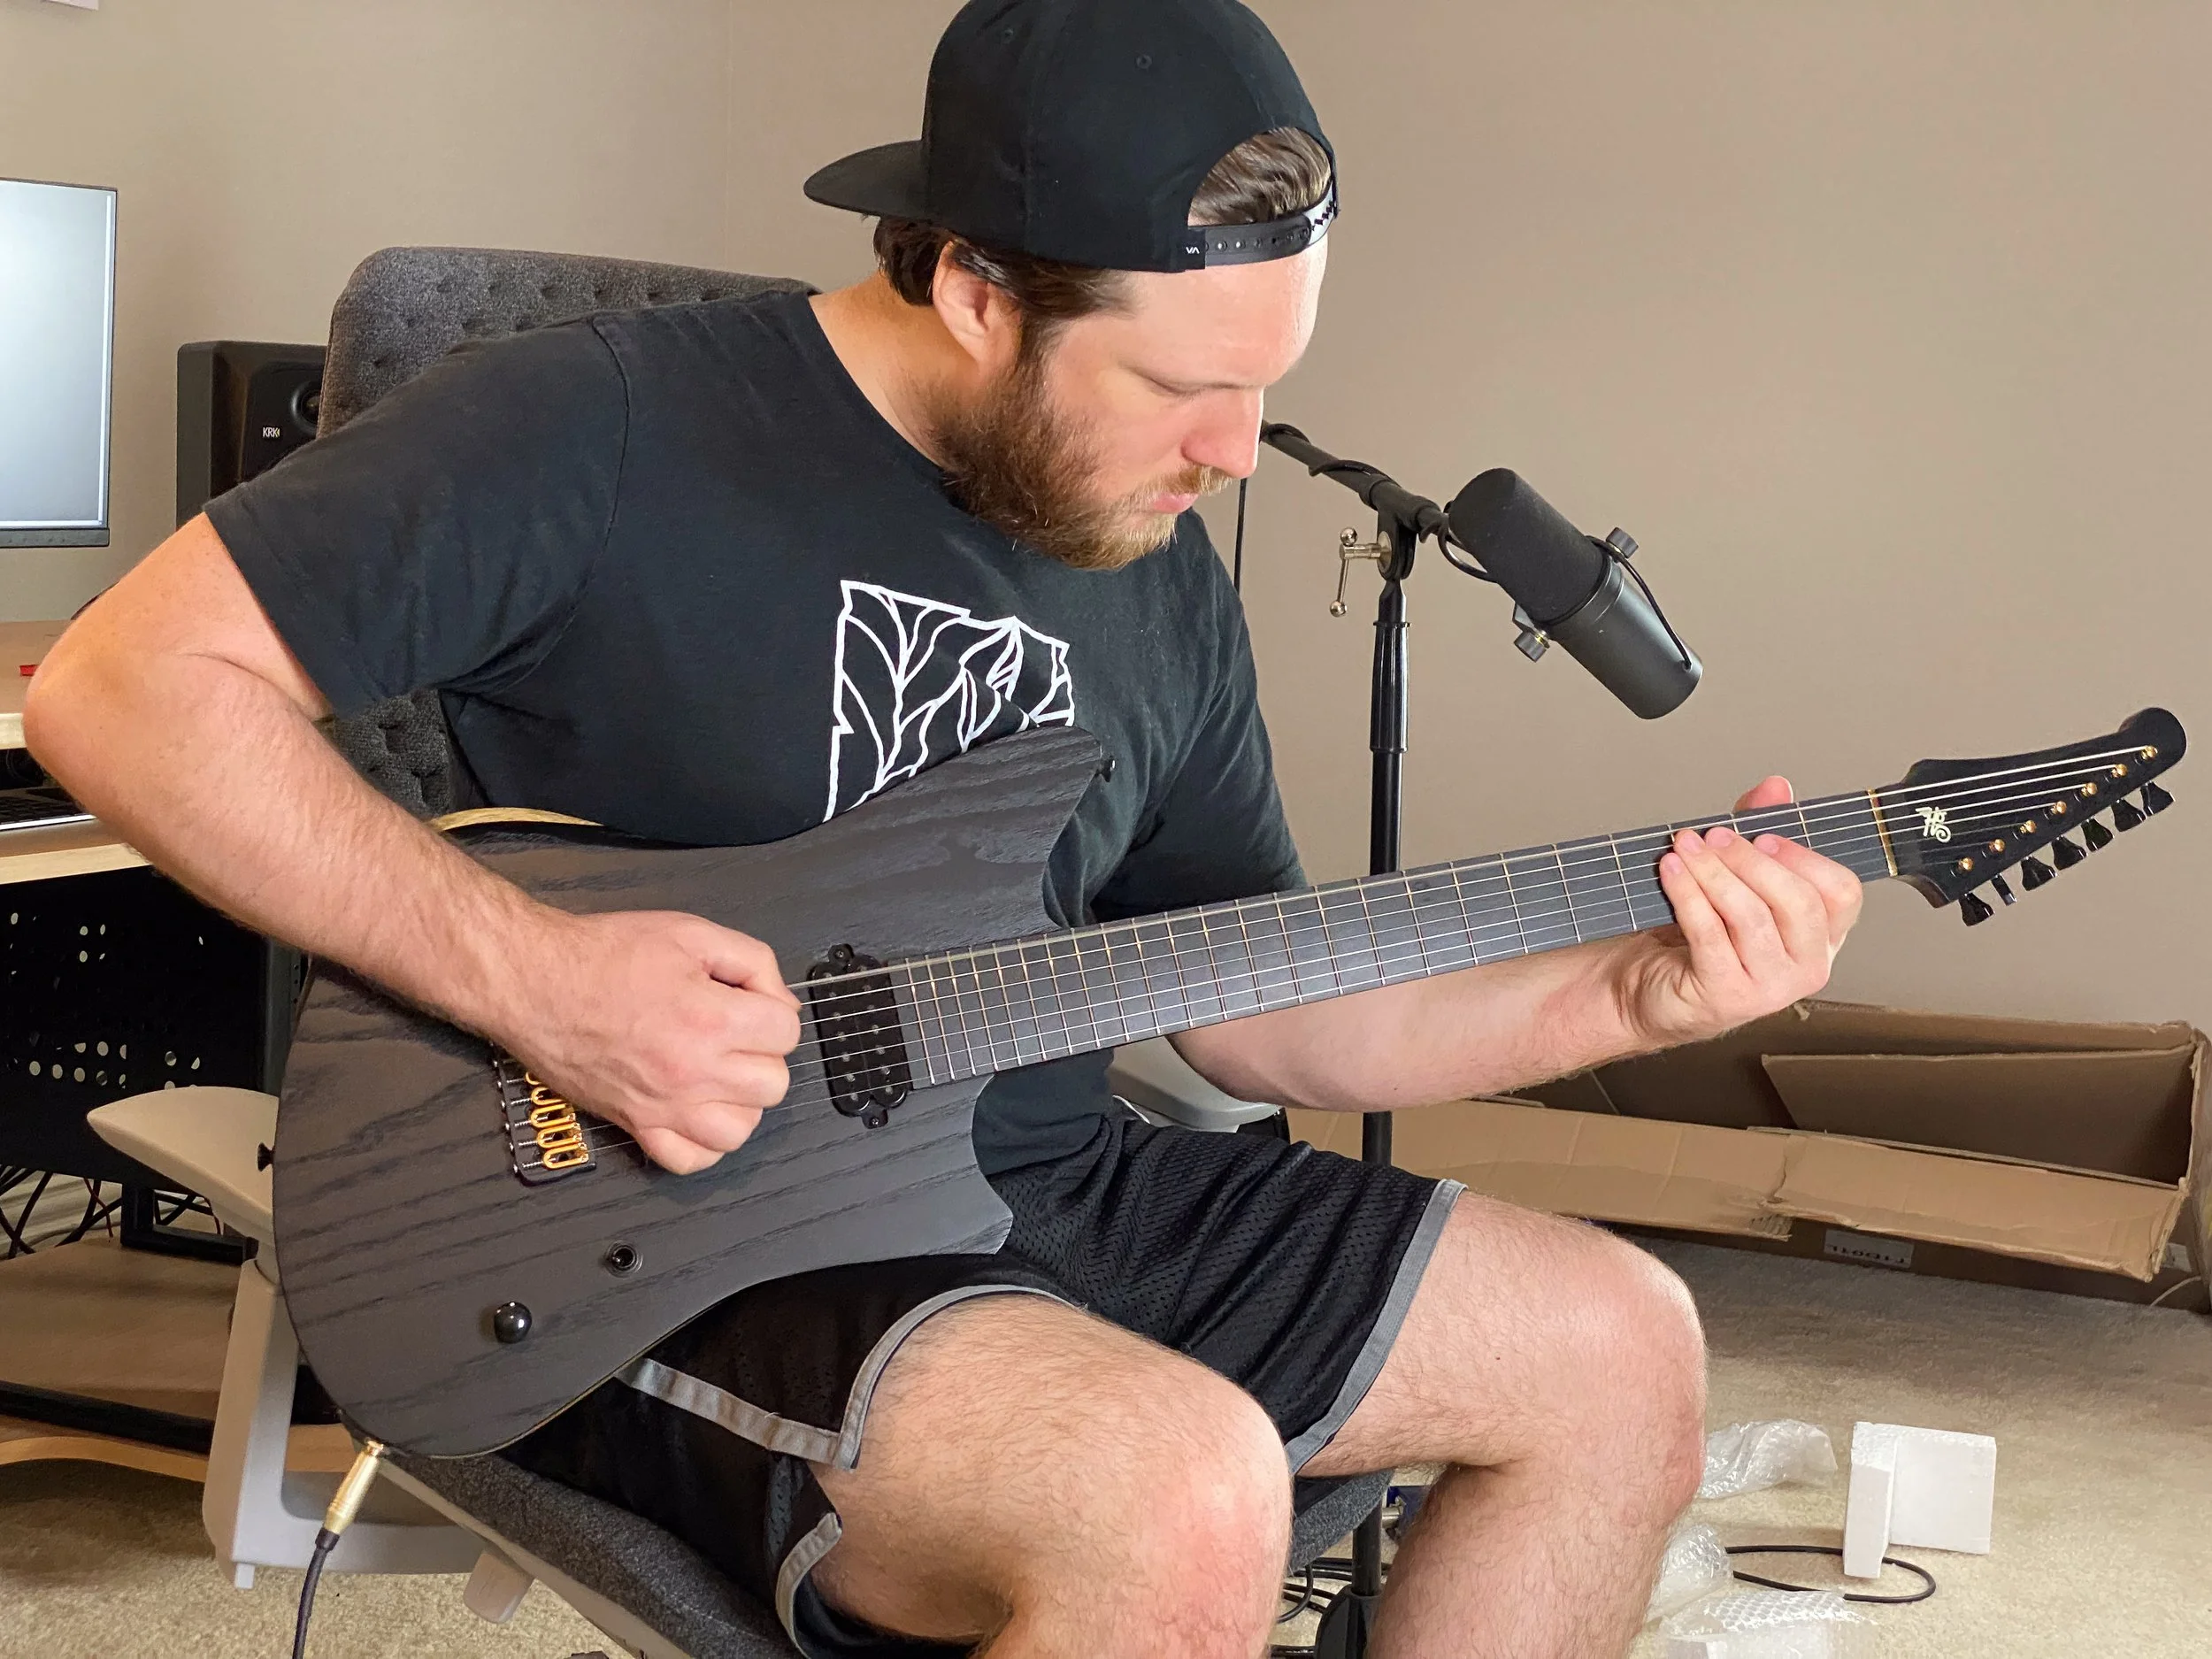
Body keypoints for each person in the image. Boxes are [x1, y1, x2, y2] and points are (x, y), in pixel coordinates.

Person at [26, 2, 1863, 1655]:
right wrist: (543, 980)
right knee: (1179, 1492)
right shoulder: (600, 424)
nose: (1232, 453)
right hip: (666, 1227)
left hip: (1043, 1178)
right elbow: (115, 688)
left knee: (1623, 1350)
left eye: (1261, 386)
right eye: (1176, 387)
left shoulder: (1153, 561)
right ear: (978, 290)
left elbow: (1261, 1016)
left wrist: (1634, 995)